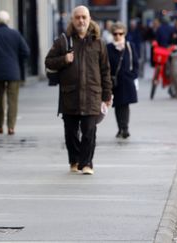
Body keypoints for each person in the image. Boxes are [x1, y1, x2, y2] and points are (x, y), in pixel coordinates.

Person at [45, 5, 112, 175]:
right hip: (70, 94)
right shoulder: (63, 41)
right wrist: (64, 59)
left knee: (90, 131)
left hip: (92, 94)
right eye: (78, 17)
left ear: (89, 19)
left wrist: (107, 95)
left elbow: (105, 70)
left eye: (84, 17)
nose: (81, 20)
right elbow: (48, 62)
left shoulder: (99, 42)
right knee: (71, 132)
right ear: (73, 20)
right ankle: (74, 160)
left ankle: (87, 163)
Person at [107, 22, 139, 139]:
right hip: (115, 82)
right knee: (118, 105)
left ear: (124, 33)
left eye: (120, 33)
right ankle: (120, 128)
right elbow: (106, 65)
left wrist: (132, 75)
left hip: (127, 81)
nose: (118, 36)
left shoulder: (130, 46)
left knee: (125, 105)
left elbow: (135, 63)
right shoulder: (109, 48)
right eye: (115, 33)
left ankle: (124, 128)